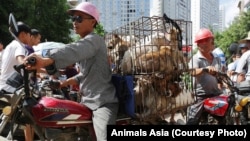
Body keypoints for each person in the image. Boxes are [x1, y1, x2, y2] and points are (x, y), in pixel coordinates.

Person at [24, 2, 118, 141]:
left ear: (92, 22)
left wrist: (46, 59)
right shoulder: (87, 43)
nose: (75, 22)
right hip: (86, 101)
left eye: (79, 18)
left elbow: (73, 50)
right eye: (73, 19)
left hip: (102, 102)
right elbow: (83, 74)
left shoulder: (95, 40)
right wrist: (64, 83)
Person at [0, 21, 34, 141]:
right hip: (11, 88)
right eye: (30, 35)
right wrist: (27, 63)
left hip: (4, 86)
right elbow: (20, 60)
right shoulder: (19, 46)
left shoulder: (10, 45)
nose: (31, 39)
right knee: (31, 111)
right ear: (24, 34)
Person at [186, 28, 223, 125]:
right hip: (200, 96)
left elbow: (220, 75)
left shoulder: (217, 58)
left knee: (223, 118)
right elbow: (192, 72)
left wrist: (220, 81)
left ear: (212, 42)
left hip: (215, 95)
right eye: (201, 41)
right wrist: (204, 69)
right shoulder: (196, 58)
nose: (204, 43)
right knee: (192, 122)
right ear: (198, 45)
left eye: (207, 40)